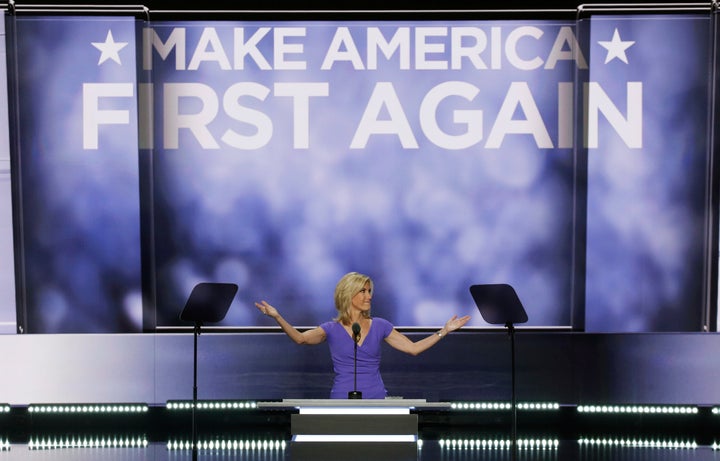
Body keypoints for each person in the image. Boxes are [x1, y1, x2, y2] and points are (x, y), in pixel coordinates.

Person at [254, 271, 471, 399]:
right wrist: (277, 316)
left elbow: (412, 349)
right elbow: (300, 338)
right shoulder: (331, 329)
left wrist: (444, 331)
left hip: (376, 398)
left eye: (370, 291)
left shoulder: (380, 325)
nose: (369, 296)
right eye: (363, 291)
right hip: (341, 399)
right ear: (349, 295)